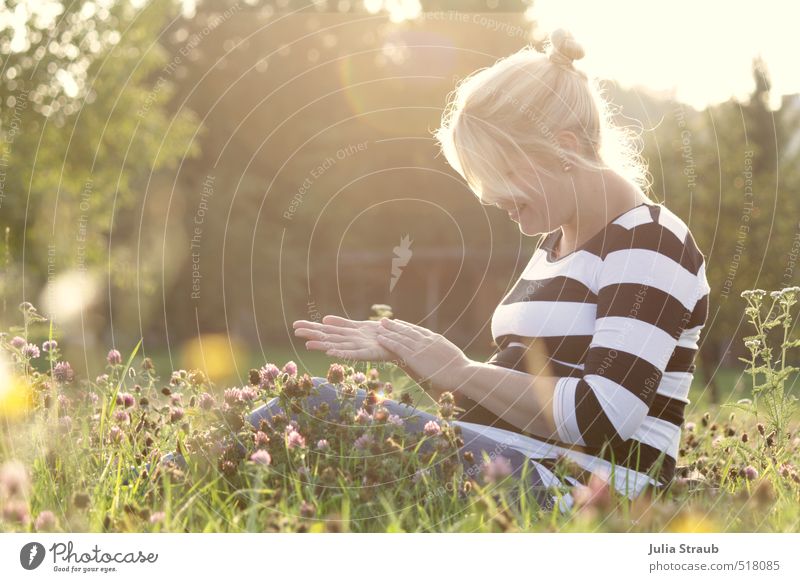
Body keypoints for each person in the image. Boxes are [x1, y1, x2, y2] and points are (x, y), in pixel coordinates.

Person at [291, 28, 711, 513]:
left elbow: (601, 415)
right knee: (312, 418)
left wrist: (460, 369)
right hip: (512, 465)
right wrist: (418, 359)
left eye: (501, 174)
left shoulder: (650, 241)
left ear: (563, 148)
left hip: (579, 494)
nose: (491, 197)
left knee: (305, 411)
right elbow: (508, 400)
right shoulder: (557, 243)